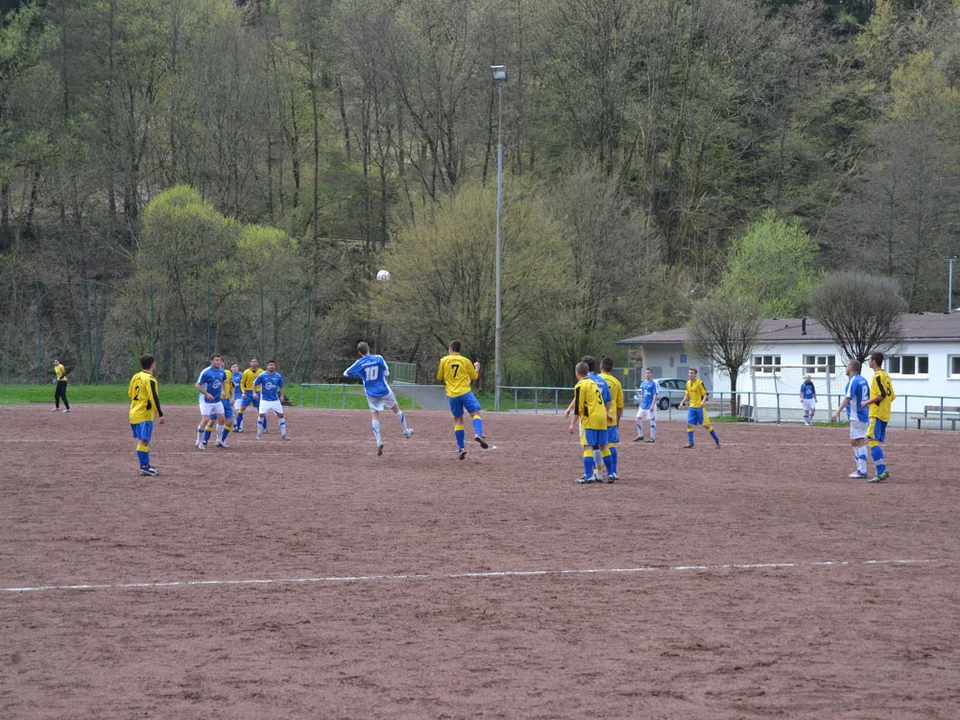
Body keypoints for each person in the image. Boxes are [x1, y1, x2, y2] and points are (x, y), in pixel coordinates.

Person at [344, 342, 413, 456]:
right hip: (384, 390)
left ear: (359, 352)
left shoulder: (359, 363)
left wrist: (360, 372)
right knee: (396, 409)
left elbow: (346, 373)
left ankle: (379, 441)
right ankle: (406, 431)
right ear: (368, 348)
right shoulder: (378, 358)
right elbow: (387, 373)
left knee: (375, 415)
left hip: (371, 393)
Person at [436, 341, 488, 460]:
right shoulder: (465, 361)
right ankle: (478, 433)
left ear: (450, 349)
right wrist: (477, 368)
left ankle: (461, 448)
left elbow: (439, 377)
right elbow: (474, 377)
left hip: (452, 394)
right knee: (475, 413)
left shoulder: (444, 360)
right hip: (465, 392)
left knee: (458, 420)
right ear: (460, 350)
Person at [564, 356, 613, 478]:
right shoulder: (594, 382)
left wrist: (572, 423)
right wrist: (607, 413)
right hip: (602, 416)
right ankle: (611, 473)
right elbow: (606, 400)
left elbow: (579, 407)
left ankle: (588, 475)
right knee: (603, 446)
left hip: (591, 417)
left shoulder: (581, 384)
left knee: (588, 446)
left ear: (577, 373)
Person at [830, 359, 871, 479]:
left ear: (851, 368)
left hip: (857, 415)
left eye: (847, 366)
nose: (846, 368)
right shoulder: (863, 380)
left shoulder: (854, 380)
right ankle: (859, 468)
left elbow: (848, 397)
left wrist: (837, 412)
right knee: (854, 441)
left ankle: (862, 470)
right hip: (860, 414)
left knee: (860, 440)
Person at [128, 354, 163, 476]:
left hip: (134, 412)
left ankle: (146, 464)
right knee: (144, 441)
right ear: (152, 364)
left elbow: (130, 393)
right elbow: (153, 397)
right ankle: (144, 467)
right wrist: (160, 414)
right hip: (144, 414)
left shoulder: (136, 376)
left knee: (143, 440)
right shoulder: (150, 379)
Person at [863, 351, 895, 483]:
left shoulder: (877, 376)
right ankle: (881, 470)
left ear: (874, 361)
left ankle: (881, 471)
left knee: (872, 440)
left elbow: (882, 394)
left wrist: (867, 402)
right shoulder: (886, 375)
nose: (868, 362)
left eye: (869, 360)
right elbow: (892, 396)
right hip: (884, 413)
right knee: (873, 440)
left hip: (876, 413)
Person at [677, 368, 720, 449]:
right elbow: (687, 395)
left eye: (692, 373)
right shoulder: (688, 383)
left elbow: (705, 394)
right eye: (689, 373)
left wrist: (703, 402)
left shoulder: (699, 383)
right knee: (689, 424)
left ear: (695, 374)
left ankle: (717, 440)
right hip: (692, 407)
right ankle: (691, 443)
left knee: (706, 425)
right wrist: (682, 402)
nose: (690, 374)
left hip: (700, 407)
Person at [598, 357, 623, 483]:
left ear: (601, 367)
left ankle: (596, 472)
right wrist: (618, 421)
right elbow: (619, 405)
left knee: (595, 445)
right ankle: (613, 471)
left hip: (596, 416)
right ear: (611, 368)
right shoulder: (616, 382)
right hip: (611, 417)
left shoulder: (595, 379)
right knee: (611, 444)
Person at [194, 354, 226, 450]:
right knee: (205, 420)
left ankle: (219, 440)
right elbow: (197, 385)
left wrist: (223, 391)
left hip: (217, 400)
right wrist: (207, 394)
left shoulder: (222, 371)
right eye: (216, 360)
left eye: (220, 360)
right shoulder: (206, 372)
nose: (219, 362)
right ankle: (199, 441)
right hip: (206, 400)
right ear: (211, 361)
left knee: (222, 419)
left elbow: (223, 381)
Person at [254, 360, 290, 440]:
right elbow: (254, 383)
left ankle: (284, 434)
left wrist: (282, 396)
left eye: (273, 365)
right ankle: (259, 434)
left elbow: (282, 386)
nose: (272, 366)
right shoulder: (262, 375)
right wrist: (254, 393)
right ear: (267, 366)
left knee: (280, 415)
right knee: (261, 415)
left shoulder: (278, 376)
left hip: (275, 400)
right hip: (265, 400)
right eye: (270, 365)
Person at [236, 358, 265, 433]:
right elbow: (242, 383)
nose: (254, 363)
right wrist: (243, 392)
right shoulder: (246, 372)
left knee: (261, 409)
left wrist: (263, 392)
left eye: (255, 361)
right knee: (242, 408)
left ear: (257, 363)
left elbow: (264, 382)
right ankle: (237, 426)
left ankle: (265, 428)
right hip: (248, 392)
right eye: (252, 361)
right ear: (250, 363)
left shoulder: (261, 372)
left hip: (258, 392)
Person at [634, 368, 658, 443]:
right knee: (638, 418)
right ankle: (640, 435)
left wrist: (653, 405)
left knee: (652, 420)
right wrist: (639, 405)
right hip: (643, 405)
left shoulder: (653, 383)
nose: (647, 374)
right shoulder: (643, 383)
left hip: (650, 405)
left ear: (651, 374)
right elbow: (642, 395)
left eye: (649, 373)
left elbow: (655, 395)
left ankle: (652, 437)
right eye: (646, 373)